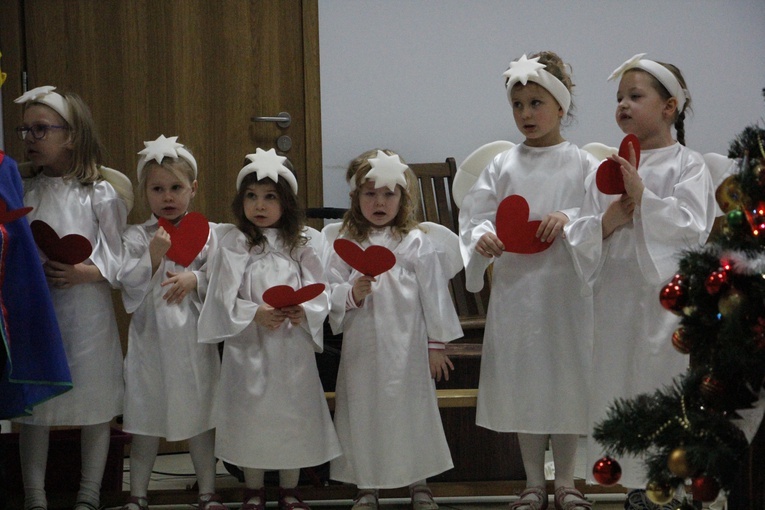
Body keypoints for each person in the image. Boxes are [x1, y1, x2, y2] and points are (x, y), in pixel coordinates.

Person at [564, 54, 716, 508]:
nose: (623, 105)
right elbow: (582, 229)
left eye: (635, 96)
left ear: (670, 107)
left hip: (662, 304)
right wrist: (607, 222)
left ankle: (671, 485)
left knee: (659, 386)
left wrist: (644, 197)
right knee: (618, 384)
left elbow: (693, 226)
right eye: (619, 98)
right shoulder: (605, 169)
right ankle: (635, 486)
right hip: (615, 297)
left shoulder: (687, 165)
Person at [458, 52, 598, 510]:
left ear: (561, 106)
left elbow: (599, 217)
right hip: (519, 292)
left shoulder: (580, 164)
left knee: (566, 380)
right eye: (517, 105)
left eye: (536, 103)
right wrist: (483, 240)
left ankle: (568, 482)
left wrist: (570, 218)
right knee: (527, 380)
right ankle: (533, 482)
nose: (526, 114)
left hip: (566, 292)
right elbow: (476, 216)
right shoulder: (502, 165)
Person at [198, 148, 341, 510]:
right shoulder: (235, 242)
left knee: (291, 415)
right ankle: (253, 488)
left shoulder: (304, 242)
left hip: (291, 347)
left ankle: (290, 489)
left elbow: (319, 290)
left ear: (287, 202)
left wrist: (303, 309)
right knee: (252, 417)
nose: (259, 205)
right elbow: (221, 297)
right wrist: (253, 313)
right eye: (251, 196)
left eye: (270, 197)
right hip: (250, 347)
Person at [323, 148, 463, 510]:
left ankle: (419, 482)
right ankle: (366, 483)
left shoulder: (415, 242)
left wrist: (436, 345)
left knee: (412, 411)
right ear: (356, 198)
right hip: (363, 349)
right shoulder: (345, 244)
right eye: (370, 193)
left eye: (389, 193)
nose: (379, 202)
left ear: (403, 198)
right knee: (363, 411)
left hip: (408, 349)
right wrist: (351, 294)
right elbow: (329, 289)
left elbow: (434, 294)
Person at [13, 86, 127, 510]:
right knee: (35, 406)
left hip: (88, 314)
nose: (29, 137)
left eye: (41, 129)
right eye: (25, 129)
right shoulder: (26, 192)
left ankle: (89, 494)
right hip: (40, 313)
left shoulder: (99, 194)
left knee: (95, 401)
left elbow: (118, 256)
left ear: (72, 135)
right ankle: (35, 496)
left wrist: (87, 271)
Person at [117, 135, 225, 510]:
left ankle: (208, 492)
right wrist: (152, 256)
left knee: (200, 416)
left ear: (192, 189)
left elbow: (226, 279)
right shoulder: (137, 236)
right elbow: (127, 286)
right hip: (151, 344)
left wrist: (197, 279)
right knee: (146, 416)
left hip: (194, 344)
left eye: (176, 187)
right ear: (145, 192)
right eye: (158, 188)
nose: (167, 196)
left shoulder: (211, 235)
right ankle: (138, 494)